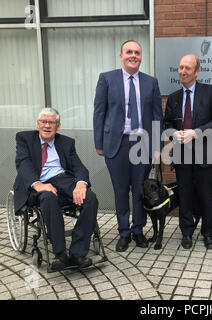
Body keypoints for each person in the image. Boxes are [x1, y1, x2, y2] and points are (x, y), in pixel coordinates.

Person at [93, 40, 163, 252]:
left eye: (137, 53)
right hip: (117, 144)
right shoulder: (107, 79)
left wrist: (158, 145)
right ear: (121, 56)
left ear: (141, 57)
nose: (133, 56)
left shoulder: (151, 82)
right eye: (129, 52)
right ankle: (124, 232)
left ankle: (138, 230)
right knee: (121, 190)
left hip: (142, 143)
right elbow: (99, 112)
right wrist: (99, 142)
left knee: (140, 191)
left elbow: (157, 116)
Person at [13, 107, 98, 272]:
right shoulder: (24, 138)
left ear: (57, 126)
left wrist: (81, 183)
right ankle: (60, 254)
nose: (47, 125)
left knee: (90, 197)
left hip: (63, 180)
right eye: (43, 122)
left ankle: (78, 253)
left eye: (51, 122)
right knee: (48, 198)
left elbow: (79, 166)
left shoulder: (66, 142)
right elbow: (23, 163)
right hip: (38, 182)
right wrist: (38, 184)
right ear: (38, 124)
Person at [164, 54, 212, 250]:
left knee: (206, 196)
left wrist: (195, 133)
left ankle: (208, 233)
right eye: (181, 67)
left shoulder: (209, 92)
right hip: (182, 156)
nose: (183, 71)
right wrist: (175, 135)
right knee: (185, 196)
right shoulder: (173, 98)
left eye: (187, 68)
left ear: (196, 71)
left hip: (205, 156)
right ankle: (187, 232)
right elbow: (167, 125)